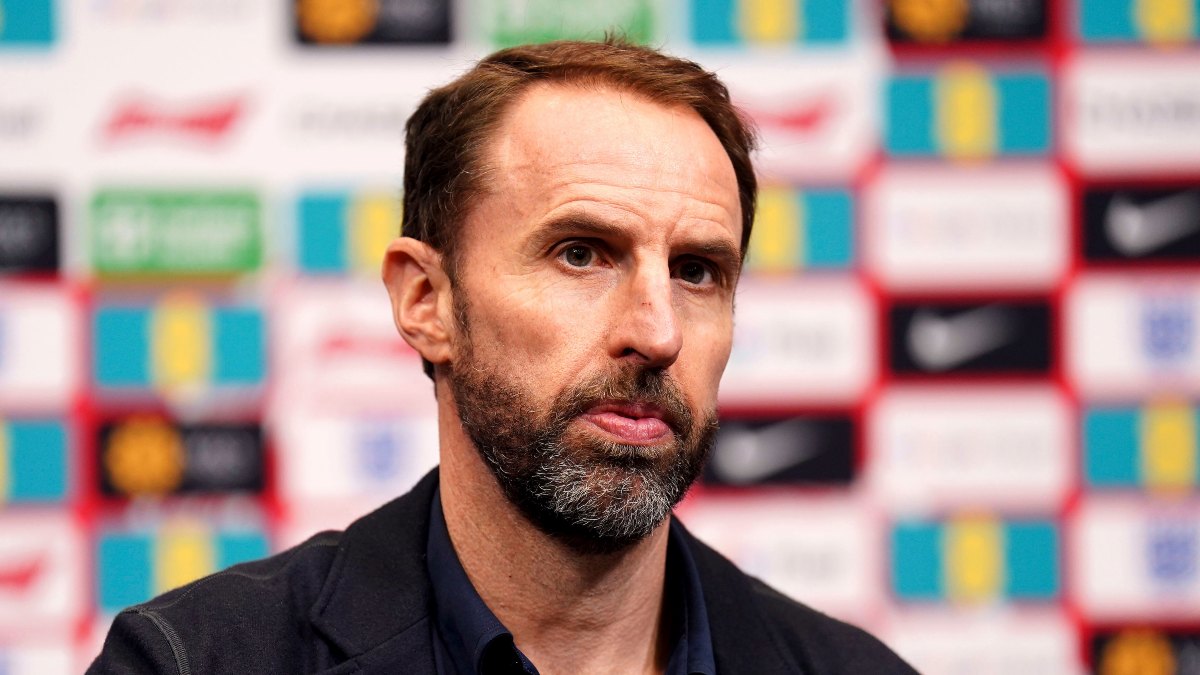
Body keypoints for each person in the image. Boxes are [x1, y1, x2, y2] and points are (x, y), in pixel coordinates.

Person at [89, 39, 916, 674]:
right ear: (426, 300)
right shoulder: (196, 661)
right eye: (581, 254)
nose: (658, 332)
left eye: (697, 271)